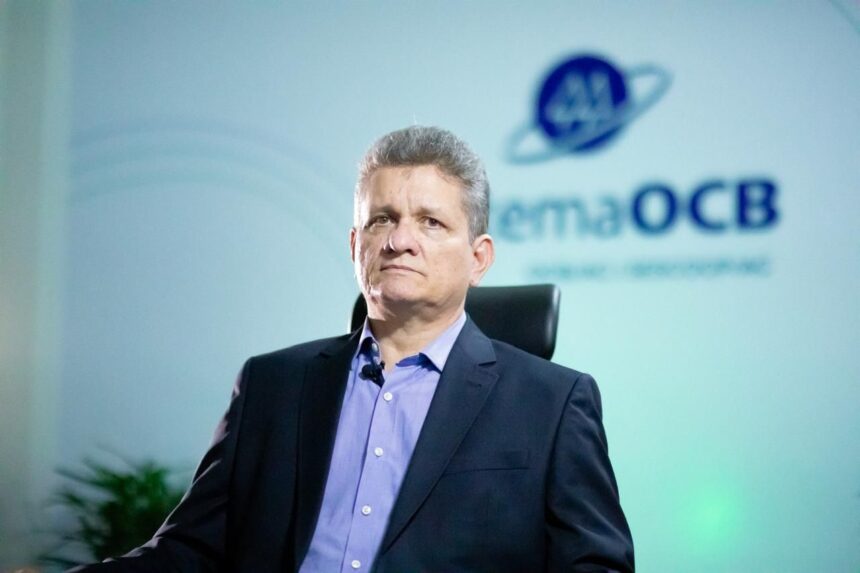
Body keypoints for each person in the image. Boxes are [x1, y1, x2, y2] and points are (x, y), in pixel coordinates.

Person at [71, 126, 634, 572]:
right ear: (354, 245)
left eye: (430, 222)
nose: (399, 240)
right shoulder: (271, 386)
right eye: (381, 220)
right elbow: (188, 552)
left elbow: (596, 565)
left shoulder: (552, 403)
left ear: (479, 258)